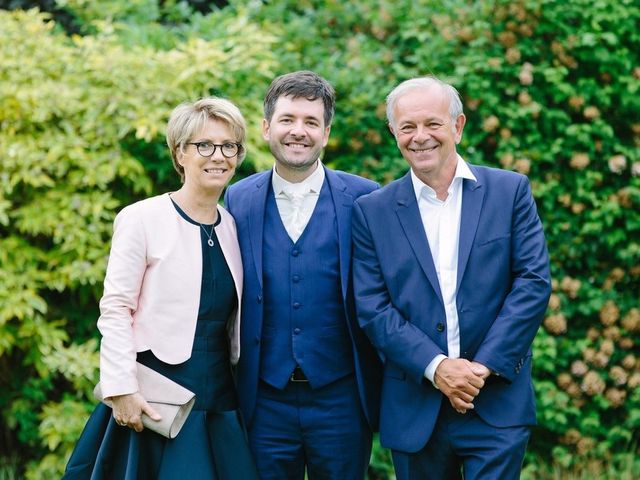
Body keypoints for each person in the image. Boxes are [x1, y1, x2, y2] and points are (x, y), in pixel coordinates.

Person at [352, 76, 552, 479]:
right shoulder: (372, 211)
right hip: (415, 406)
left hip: (495, 403)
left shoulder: (509, 191)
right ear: (394, 133)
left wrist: (480, 369)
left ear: (458, 126)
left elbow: (532, 283)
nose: (420, 136)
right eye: (407, 127)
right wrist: (437, 366)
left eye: (433, 124)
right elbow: (373, 307)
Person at [63, 97, 259, 479]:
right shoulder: (142, 218)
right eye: (204, 145)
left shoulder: (234, 227)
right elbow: (116, 307)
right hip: (154, 398)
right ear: (180, 153)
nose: (218, 156)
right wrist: (120, 388)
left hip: (219, 398)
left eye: (229, 146)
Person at [224, 70, 382, 479]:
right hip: (264, 398)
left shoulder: (365, 197)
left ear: (326, 133)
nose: (299, 131)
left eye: (311, 122)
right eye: (288, 119)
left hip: (342, 399)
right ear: (265, 128)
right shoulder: (238, 198)